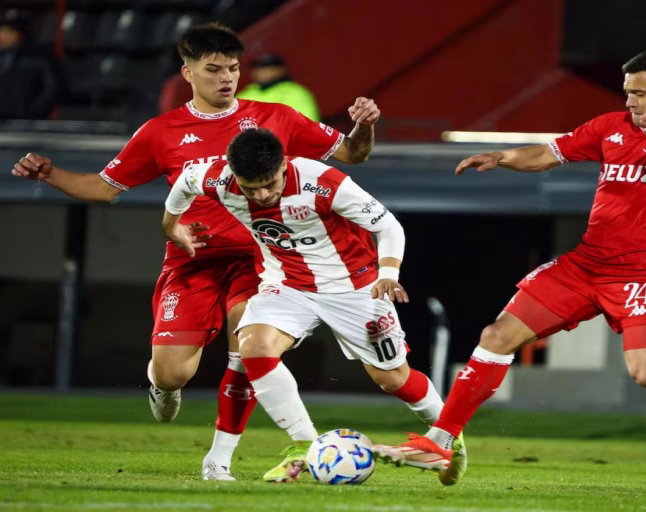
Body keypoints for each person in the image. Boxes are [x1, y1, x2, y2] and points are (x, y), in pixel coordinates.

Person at [10, 22, 381, 481]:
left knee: (248, 344)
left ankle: (222, 459)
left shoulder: (276, 117)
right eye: (213, 69)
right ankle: (161, 389)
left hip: (261, 259)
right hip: (193, 261)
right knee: (172, 373)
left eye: (232, 68)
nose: (226, 78)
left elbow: (352, 155)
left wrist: (364, 127)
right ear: (187, 72)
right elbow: (104, 189)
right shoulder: (161, 133)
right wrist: (50, 173)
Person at [374, 46, 646, 497]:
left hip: (645, 271)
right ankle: (440, 442)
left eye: (638, 93)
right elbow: (551, 152)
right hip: (586, 263)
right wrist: (502, 157)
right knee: (497, 336)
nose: (628, 101)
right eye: (626, 91)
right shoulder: (611, 126)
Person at [163, 127, 461, 482]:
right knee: (253, 346)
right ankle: (304, 445)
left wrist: (389, 272)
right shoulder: (216, 178)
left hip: (355, 288)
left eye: (269, 183)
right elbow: (184, 182)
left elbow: (389, 226)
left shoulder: (322, 181)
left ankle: (450, 441)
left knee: (392, 377)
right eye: (249, 187)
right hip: (286, 285)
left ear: (284, 165)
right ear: (232, 174)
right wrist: (171, 226)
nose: (260, 194)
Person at [0, 15, 59, 120]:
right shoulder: (3, 57)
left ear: (18, 33)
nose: (1, 36)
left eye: (5, 31)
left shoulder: (39, 57)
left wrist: (33, 112)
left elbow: (53, 89)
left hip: (30, 123)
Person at [237, 53, 320, 121]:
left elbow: (305, 125)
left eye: (267, 68)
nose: (261, 72)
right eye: (258, 68)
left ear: (281, 70)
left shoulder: (295, 92)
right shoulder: (246, 93)